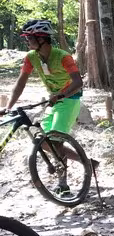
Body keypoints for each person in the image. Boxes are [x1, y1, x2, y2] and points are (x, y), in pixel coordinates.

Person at [0, 19, 95, 195]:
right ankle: (87, 162)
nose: (26, 41)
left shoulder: (63, 56)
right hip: (53, 102)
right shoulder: (30, 58)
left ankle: (63, 185)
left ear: (41, 38)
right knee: (42, 142)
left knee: (56, 142)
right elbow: (20, 83)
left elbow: (78, 82)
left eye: (29, 38)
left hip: (69, 100)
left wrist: (61, 95)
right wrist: (8, 107)